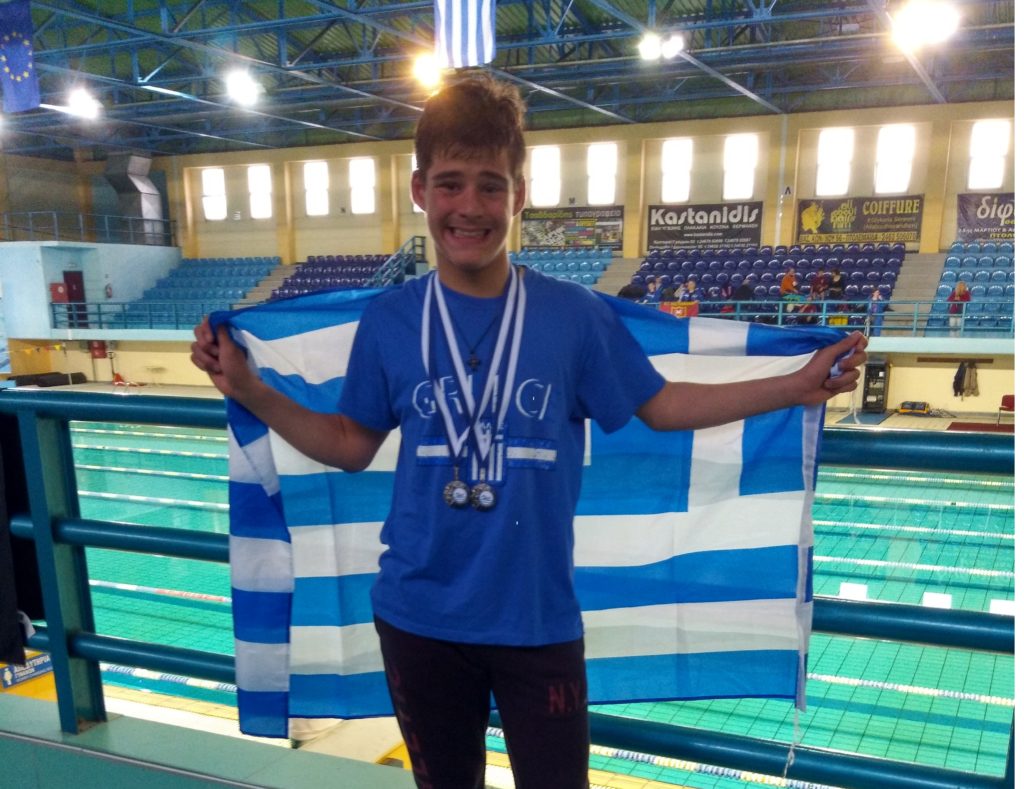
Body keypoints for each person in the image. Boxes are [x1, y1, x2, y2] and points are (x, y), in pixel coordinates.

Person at [190, 74, 867, 789]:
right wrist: (250, 390)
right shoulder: (391, 320)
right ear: (420, 190)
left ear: (520, 194)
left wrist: (794, 387)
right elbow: (350, 445)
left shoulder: (573, 316)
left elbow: (661, 405)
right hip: (418, 618)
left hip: (537, 622)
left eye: (491, 186)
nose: (469, 206)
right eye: (450, 185)